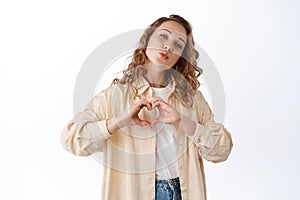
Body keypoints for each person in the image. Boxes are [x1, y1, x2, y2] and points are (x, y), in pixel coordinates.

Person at [60, 14, 233, 200]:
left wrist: (182, 121)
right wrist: (120, 120)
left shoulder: (192, 99)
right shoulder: (115, 95)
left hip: (183, 192)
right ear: (147, 38)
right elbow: (71, 140)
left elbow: (221, 150)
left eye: (178, 44)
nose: (168, 46)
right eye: (164, 36)